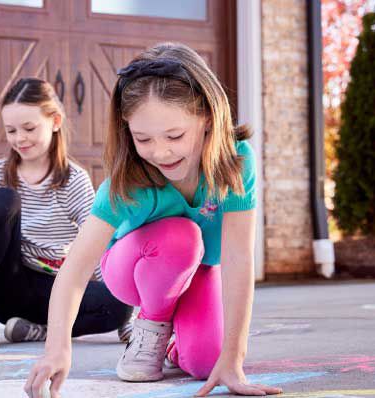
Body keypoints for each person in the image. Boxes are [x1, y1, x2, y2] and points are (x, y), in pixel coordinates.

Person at [24, 43, 284, 397]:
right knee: (183, 237)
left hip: (200, 271)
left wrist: (233, 358)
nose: (160, 152)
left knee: (208, 364)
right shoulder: (126, 180)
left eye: (175, 136)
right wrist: (57, 349)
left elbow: (237, 257)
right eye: (142, 138)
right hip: (132, 267)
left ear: (208, 116)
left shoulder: (235, 160)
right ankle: (152, 324)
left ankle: (180, 341)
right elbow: (75, 270)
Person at [0, 77, 133, 351]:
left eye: (29, 128)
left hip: (54, 291)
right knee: (4, 199)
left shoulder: (74, 180)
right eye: (11, 131)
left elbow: (98, 247)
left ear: (55, 122)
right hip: (7, 288)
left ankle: (37, 332)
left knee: (120, 304)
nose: (19, 139)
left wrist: (127, 315)